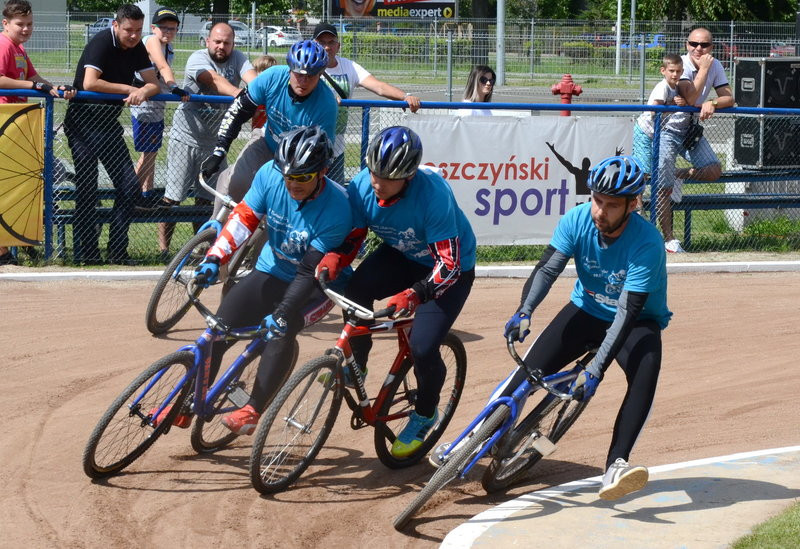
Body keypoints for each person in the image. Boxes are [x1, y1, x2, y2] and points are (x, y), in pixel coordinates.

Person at [155, 126, 353, 435]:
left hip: (316, 285)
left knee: (281, 330)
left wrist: (283, 312)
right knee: (217, 331)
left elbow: (307, 272)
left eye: (302, 178)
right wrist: (215, 257)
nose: (293, 185)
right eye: (288, 176)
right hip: (271, 269)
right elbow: (244, 218)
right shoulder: (269, 175)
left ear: (322, 172)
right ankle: (184, 406)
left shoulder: (339, 207)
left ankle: (253, 407)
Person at [502, 155, 671, 501]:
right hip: (586, 309)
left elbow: (626, 313)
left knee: (646, 372)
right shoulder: (577, 220)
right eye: (597, 200)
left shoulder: (648, 243)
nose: (600, 211)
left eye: (611, 205)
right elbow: (548, 269)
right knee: (524, 375)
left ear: (633, 204)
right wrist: (525, 310)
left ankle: (615, 466)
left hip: (637, 322)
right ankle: (476, 439)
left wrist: (595, 369)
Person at [315, 126, 476, 458]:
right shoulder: (362, 185)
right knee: (357, 288)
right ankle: (357, 362)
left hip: (447, 268)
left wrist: (415, 295)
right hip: (402, 255)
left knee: (423, 343)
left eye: (388, 177)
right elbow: (355, 234)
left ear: (410, 176)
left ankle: (426, 413)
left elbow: (449, 264)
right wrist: (338, 256)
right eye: (374, 171)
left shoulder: (433, 195)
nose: (377, 182)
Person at [63, 3, 162, 265]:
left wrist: (142, 91)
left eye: (139, 30)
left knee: (129, 186)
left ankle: (118, 251)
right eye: (129, 29)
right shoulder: (102, 42)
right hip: (82, 124)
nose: (134, 35)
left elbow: (154, 83)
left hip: (108, 126)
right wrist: (130, 89)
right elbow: (90, 82)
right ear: (115, 25)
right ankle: (88, 253)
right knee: (88, 188)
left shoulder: (138, 47)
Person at [200, 39, 337, 219]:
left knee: (274, 206)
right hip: (267, 139)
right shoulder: (273, 77)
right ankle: (215, 231)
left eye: (311, 76)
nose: (303, 81)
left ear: (320, 75)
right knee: (236, 182)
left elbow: (321, 155)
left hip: (296, 160)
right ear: (290, 69)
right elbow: (238, 111)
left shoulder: (326, 104)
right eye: (298, 74)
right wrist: (220, 150)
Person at [156, 21, 257, 260]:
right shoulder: (196, 58)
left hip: (214, 142)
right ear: (208, 41)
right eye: (218, 42)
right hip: (186, 137)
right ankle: (163, 250)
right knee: (173, 197)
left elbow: (251, 77)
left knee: (209, 197)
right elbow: (211, 79)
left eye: (227, 43)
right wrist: (239, 95)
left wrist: (261, 90)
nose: (222, 47)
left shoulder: (238, 58)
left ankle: (201, 247)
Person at [0, 0, 76, 265]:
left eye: (29, 24)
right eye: (20, 24)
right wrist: (32, 85)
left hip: (17, 126)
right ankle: (3, 252)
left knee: (17, 188)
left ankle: (13, 246)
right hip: (5, 125)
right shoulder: (4, 45)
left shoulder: (19, 49)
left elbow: (34, 77)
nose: (26, 29)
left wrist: (54, 87)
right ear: (5, 23)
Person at [312, 22, 421, 184]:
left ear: (338, 45)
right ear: (314, 44)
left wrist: (405, 96)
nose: (327, 47)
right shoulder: (307, 66)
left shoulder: (348, 66)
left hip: (337, 145)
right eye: (322, 43)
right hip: (311, 142)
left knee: (335, 193)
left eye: (331, 42)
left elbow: (378, 86)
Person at [657, 27, 734, 254]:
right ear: (686, 44)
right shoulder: (678, 66)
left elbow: (729, 97)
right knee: (663, 187)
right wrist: (704, 69)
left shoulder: (716, 65)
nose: (698, 49)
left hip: (690, 131)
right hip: (668, 130)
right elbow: (690, 96)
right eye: (694, 44)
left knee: (713, 171)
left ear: (712, 47)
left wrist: (714, 103)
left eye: (704, 45)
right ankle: (669, 238)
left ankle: (678, 175)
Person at [129, 7, 189, 206]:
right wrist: (174, 86)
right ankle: (131, 196)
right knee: (149, 152)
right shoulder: (151, 41)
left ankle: (146, 193)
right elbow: (162, 66)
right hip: (145, 106)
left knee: (152, 151)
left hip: (157, 106)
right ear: (153, 28)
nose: (167, 32)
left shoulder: (167, 46)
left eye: (172, 28)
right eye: (163, 27)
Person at [632, 53, 686, 178]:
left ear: (682, 72)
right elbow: (654, 110)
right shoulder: (663, 87)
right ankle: (636, 197)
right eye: (671, 71)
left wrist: (680, 103)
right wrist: (672, 106)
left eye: (678, 71)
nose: (675, 74)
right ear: (663, 71)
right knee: (643, 170)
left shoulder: (675, 88)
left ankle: (643, 195)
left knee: (651, 166)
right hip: (644, 130)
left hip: (654, 133)